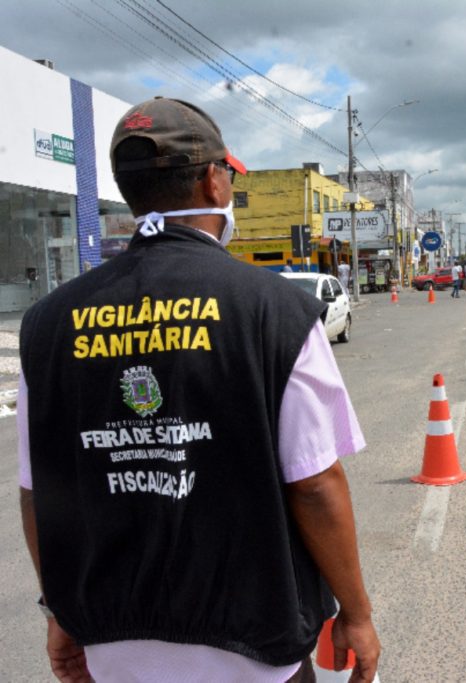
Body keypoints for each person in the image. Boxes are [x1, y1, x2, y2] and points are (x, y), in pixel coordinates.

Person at [18, 97, 379, 682]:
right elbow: (313, 484)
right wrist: (357, 615)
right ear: (214, 182)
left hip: (115, 646)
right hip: (254, 645)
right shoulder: (276, 311)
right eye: (230, 177)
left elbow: (39, 493)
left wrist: (59, 609)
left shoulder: (48, 324)